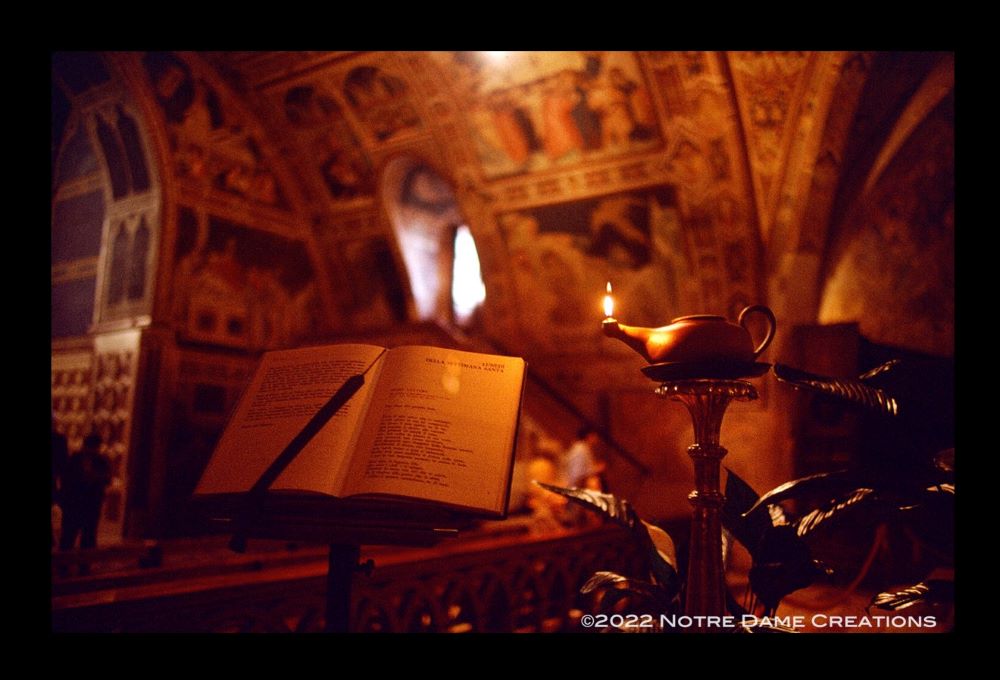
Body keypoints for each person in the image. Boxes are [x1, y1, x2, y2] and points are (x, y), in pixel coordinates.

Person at [59, 434, 112, 553]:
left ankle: (84, 564)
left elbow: (107, 478)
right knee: (69, 534)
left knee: (88, 534)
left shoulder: (101, 461)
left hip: (91, 503)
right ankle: (64, 564)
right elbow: (66, 479)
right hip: (74, 502)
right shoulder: (74, 459)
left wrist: (95, 478)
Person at [563, 426, 606, 491]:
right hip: (576, 488)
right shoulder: (580, 449)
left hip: (579, 487)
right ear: (589, 436)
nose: (597, 438)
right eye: (595, 435)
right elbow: (577, 473)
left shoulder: (583, 448)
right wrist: (596, 469)